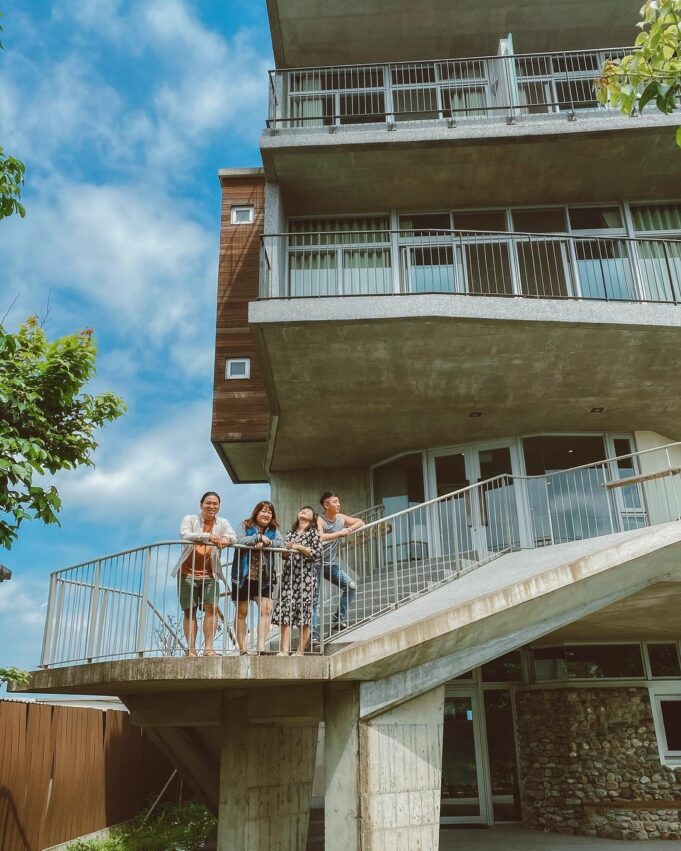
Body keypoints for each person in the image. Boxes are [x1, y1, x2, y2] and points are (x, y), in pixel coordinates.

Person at [174, 492, 236, 657]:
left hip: (210, 574)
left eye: (215, 504)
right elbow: (185, 534)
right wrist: (209, 536)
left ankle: (208, 649)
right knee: (190, 611)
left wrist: (226, 540)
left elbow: (233, 536)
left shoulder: (222, 522)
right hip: (187, 572)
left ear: (219, 506)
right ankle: (191, 649)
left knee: (212, 608)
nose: (212, 506)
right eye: (208, 503)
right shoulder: (190, 519)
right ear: (201, 504)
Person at [232, 501, 285, 654]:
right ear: (256, 512)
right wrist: (258, 538)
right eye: (263, 511)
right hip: (243, 576)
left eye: (269, 512)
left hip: (264, 577)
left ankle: (261, 647)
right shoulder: (245, 525)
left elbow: (281, 544)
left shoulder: (274, 530)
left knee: (267, 609)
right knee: (242, 612)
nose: (266, 514)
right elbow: (238, 540)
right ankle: (242, 649)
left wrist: (266, 542)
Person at [312, 492, 364, 642]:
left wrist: (349, 529)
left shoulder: (341, 518)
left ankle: (337, 619)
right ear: (326, 505)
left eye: (338, 501)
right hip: (315, 563)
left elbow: (360, 521)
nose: (338, 504)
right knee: (314, 600)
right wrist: (339, 533)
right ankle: (314, 635)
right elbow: (319, 536)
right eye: (335, 502)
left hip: (329, 563)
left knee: (351, 586)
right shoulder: (319, 519)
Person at [272, 506, 323, 656]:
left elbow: (317, 553)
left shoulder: (313, 532)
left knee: (304, 614)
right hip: (289, 576)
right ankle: (284, 650)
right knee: (284, 612)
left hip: (306, 578)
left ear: (313, 517)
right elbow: (284, 555)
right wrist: (287, 549)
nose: (304, 511)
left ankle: (300, 650)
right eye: (302, 510)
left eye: (308, 511)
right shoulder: (291, 533)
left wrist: (298, 547)